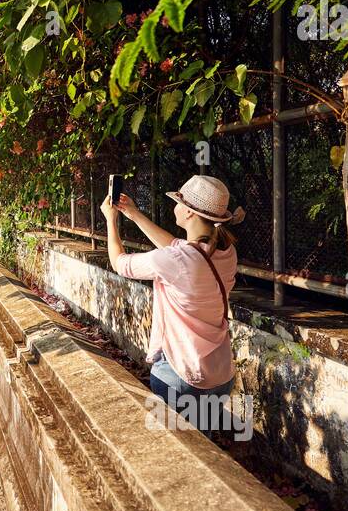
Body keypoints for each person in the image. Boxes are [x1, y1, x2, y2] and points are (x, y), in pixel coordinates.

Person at [99, 174, 245, 435]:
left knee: (175, 453)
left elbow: (119, 262)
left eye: (178, 201)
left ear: (188, 213)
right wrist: (134, 214)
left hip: (179, 375)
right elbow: (179, 247)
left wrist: (111, 221)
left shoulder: (176, 260)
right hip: (219, 374)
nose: (174, 206)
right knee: (203, 452)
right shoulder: (225, 252)